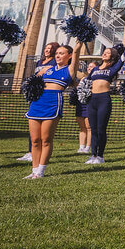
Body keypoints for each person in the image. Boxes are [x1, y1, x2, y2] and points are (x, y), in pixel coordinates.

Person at [25, 41, 83, 179]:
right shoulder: (47, 69)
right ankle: (34, 170)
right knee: (34, 140)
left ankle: (41, 170)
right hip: (37, 102)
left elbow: (76, 53)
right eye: (57, 53)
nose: (58, 56)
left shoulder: (70, 69)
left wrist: (79, 42)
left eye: (61, 53)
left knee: (46, 139)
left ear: (68, 56)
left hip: (53, 102)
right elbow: (32, 82)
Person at [84, 42, 125, 165]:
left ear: (112, 57)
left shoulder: (113, 68)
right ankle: (93, 155)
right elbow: (87, 82)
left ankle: (100, 156)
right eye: (104, 52)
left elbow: (124, 57)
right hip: (92, 100)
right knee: (93, 129)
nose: (104, 53)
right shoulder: (95, 69)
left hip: (103, 100)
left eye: (107, 53)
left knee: (101, 129)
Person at [18, 41, 59, 162]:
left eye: (50, 49)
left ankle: (38, 152)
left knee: (44, 131)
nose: (47, 50)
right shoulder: (39, 62)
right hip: (36, 93)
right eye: (46, 48)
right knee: (33, 123)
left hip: (47, 94)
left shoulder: (54, 62)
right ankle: (31, 150)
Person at [73, 62, 91, 155]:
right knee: (82, 127)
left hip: (89, 104)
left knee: (89, 127)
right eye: (89, 66)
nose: (89, 68)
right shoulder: (82, 78)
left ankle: (88, 147)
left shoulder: (95, 78)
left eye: (92, 67)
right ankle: (81, 147)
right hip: (80, 104)